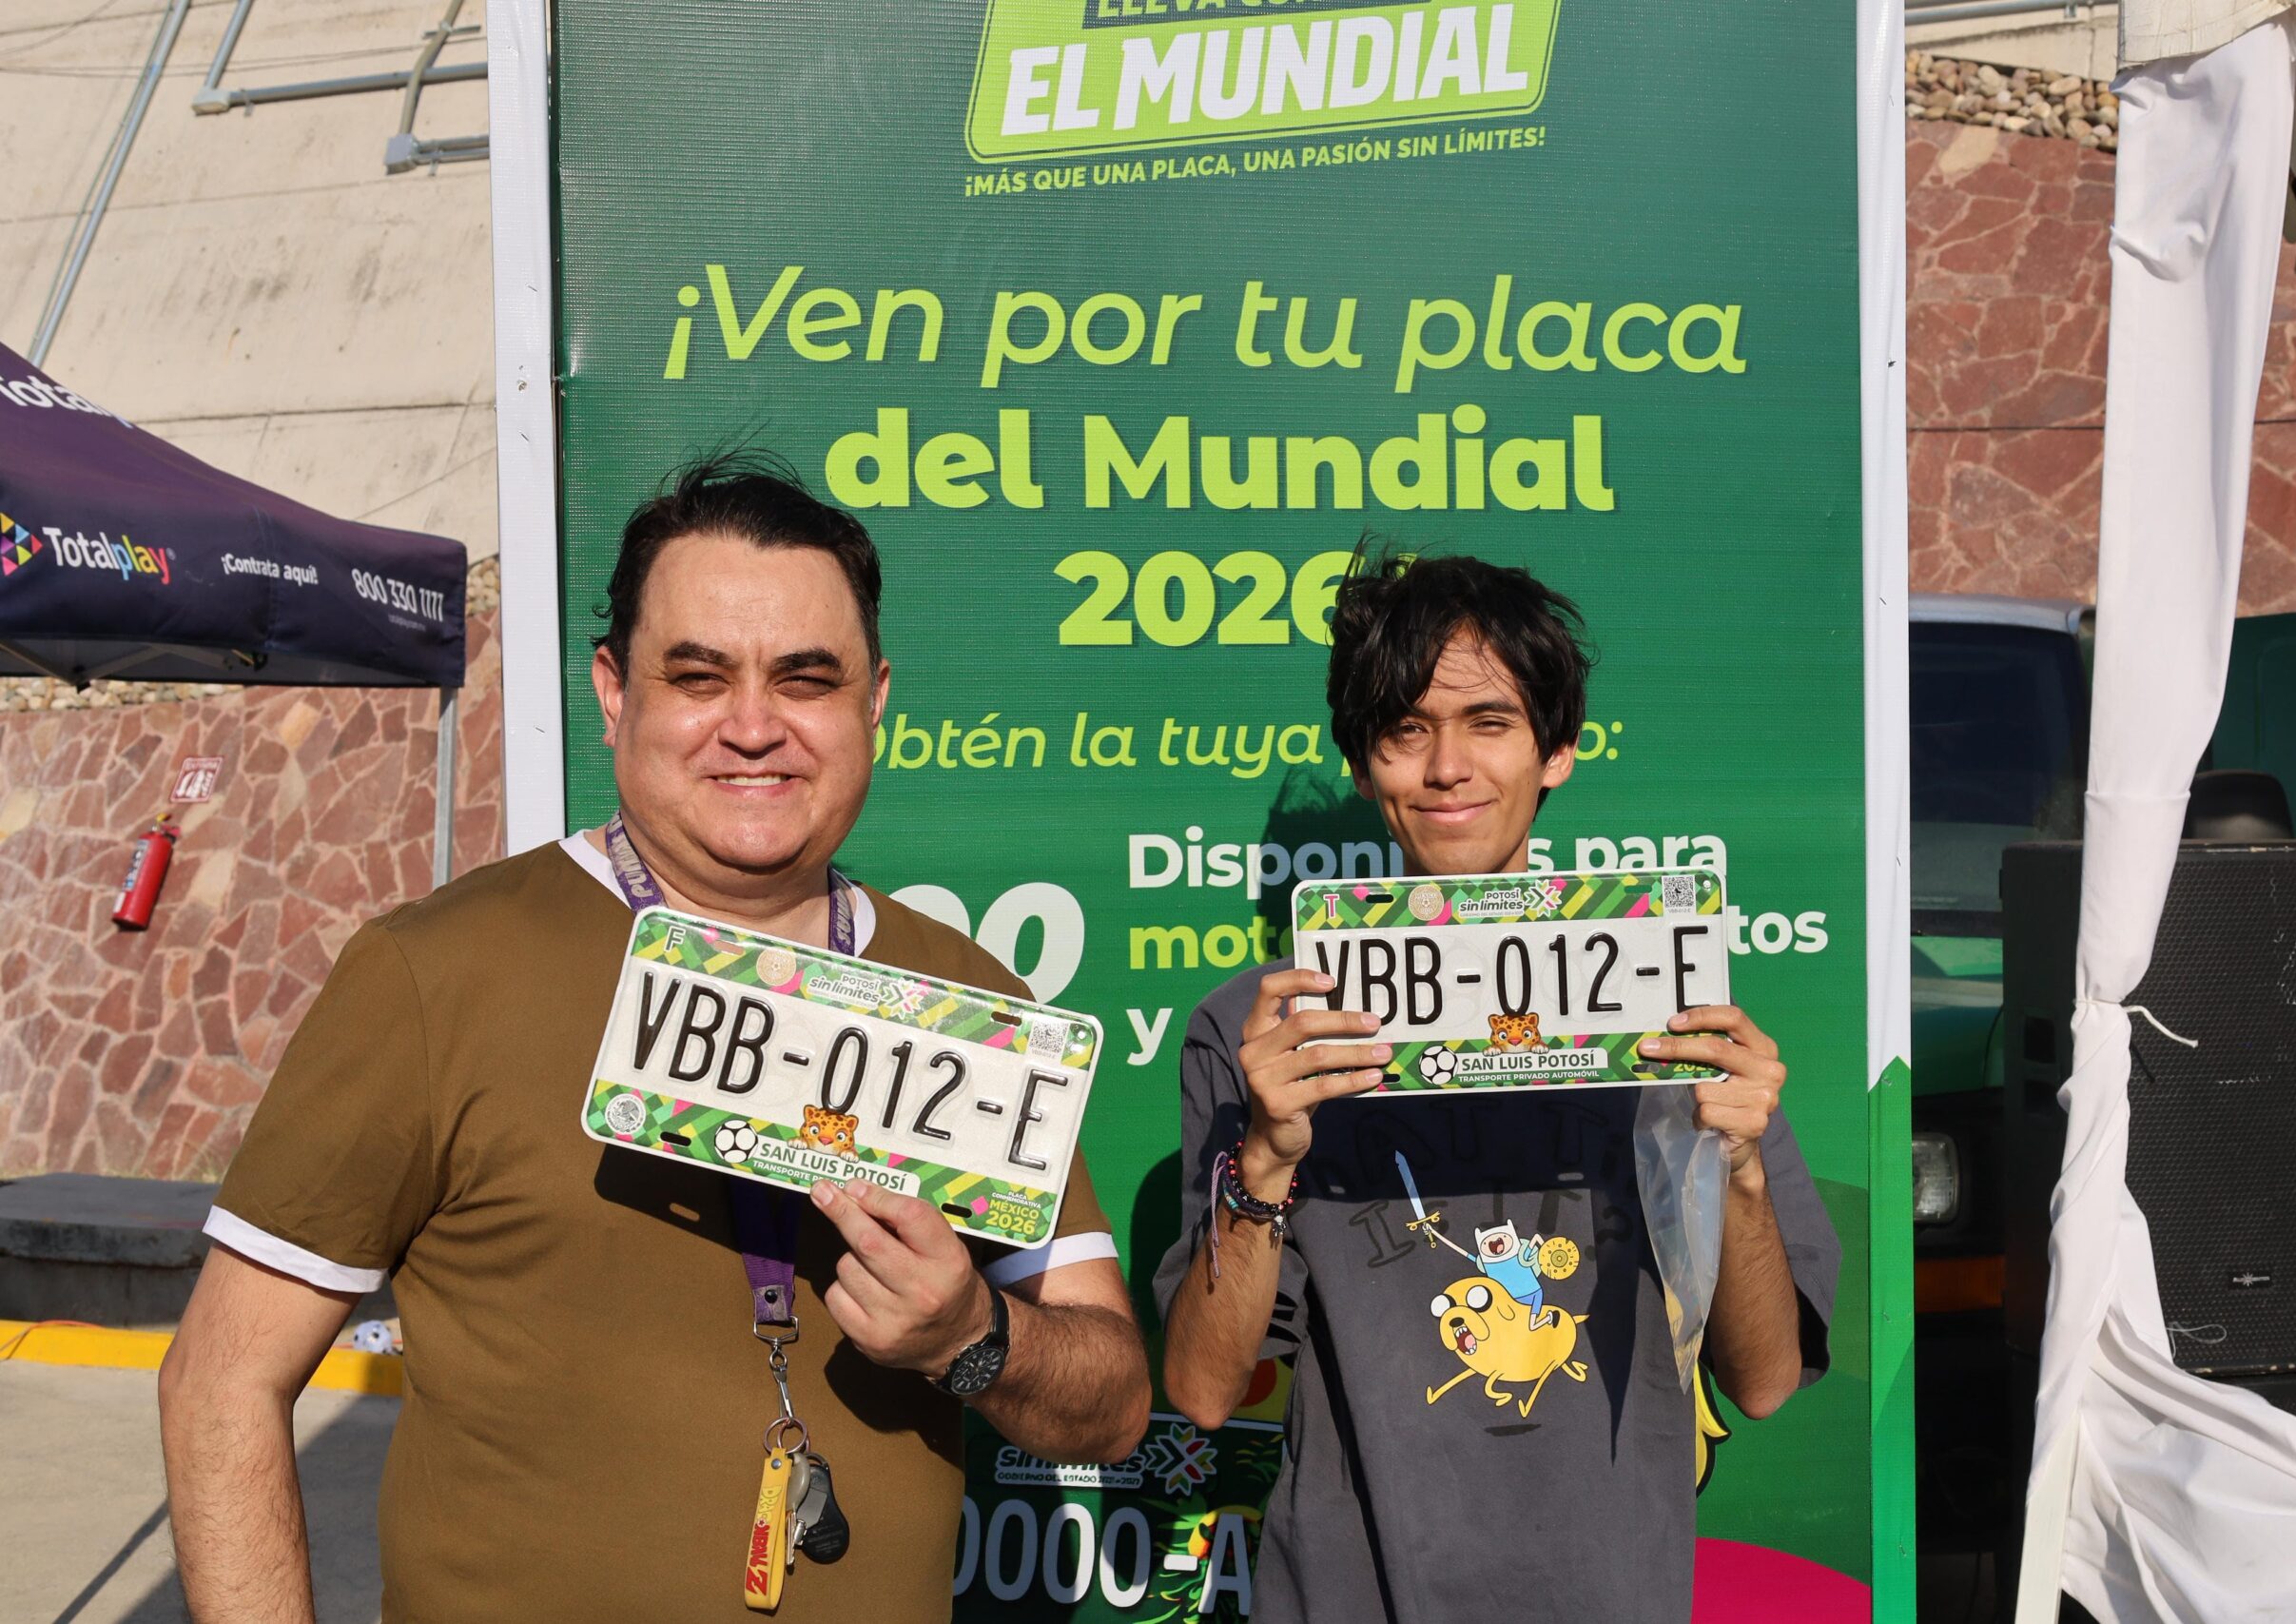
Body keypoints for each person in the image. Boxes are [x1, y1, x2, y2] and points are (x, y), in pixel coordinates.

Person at [160, 452, 1150, 1623]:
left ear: (874, 702)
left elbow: (1112, 1402)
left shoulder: (965, 1002)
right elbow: (220, 1383)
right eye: (697, 675)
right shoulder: (435, 975)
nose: (753, 727)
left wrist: (972, 1338)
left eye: (806, 679)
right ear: (613, 692)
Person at [1155, 550, 1839, 1622]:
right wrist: (1266, 1160)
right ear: (1364, 761)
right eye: (1405, 730)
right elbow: (1202, 1391)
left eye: (1489, 722)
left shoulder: (1664, 1013)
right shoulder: (1264, 1032)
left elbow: (1762, 1382)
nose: (1447, 768)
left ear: (1555, 750)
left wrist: (1739, 1167)